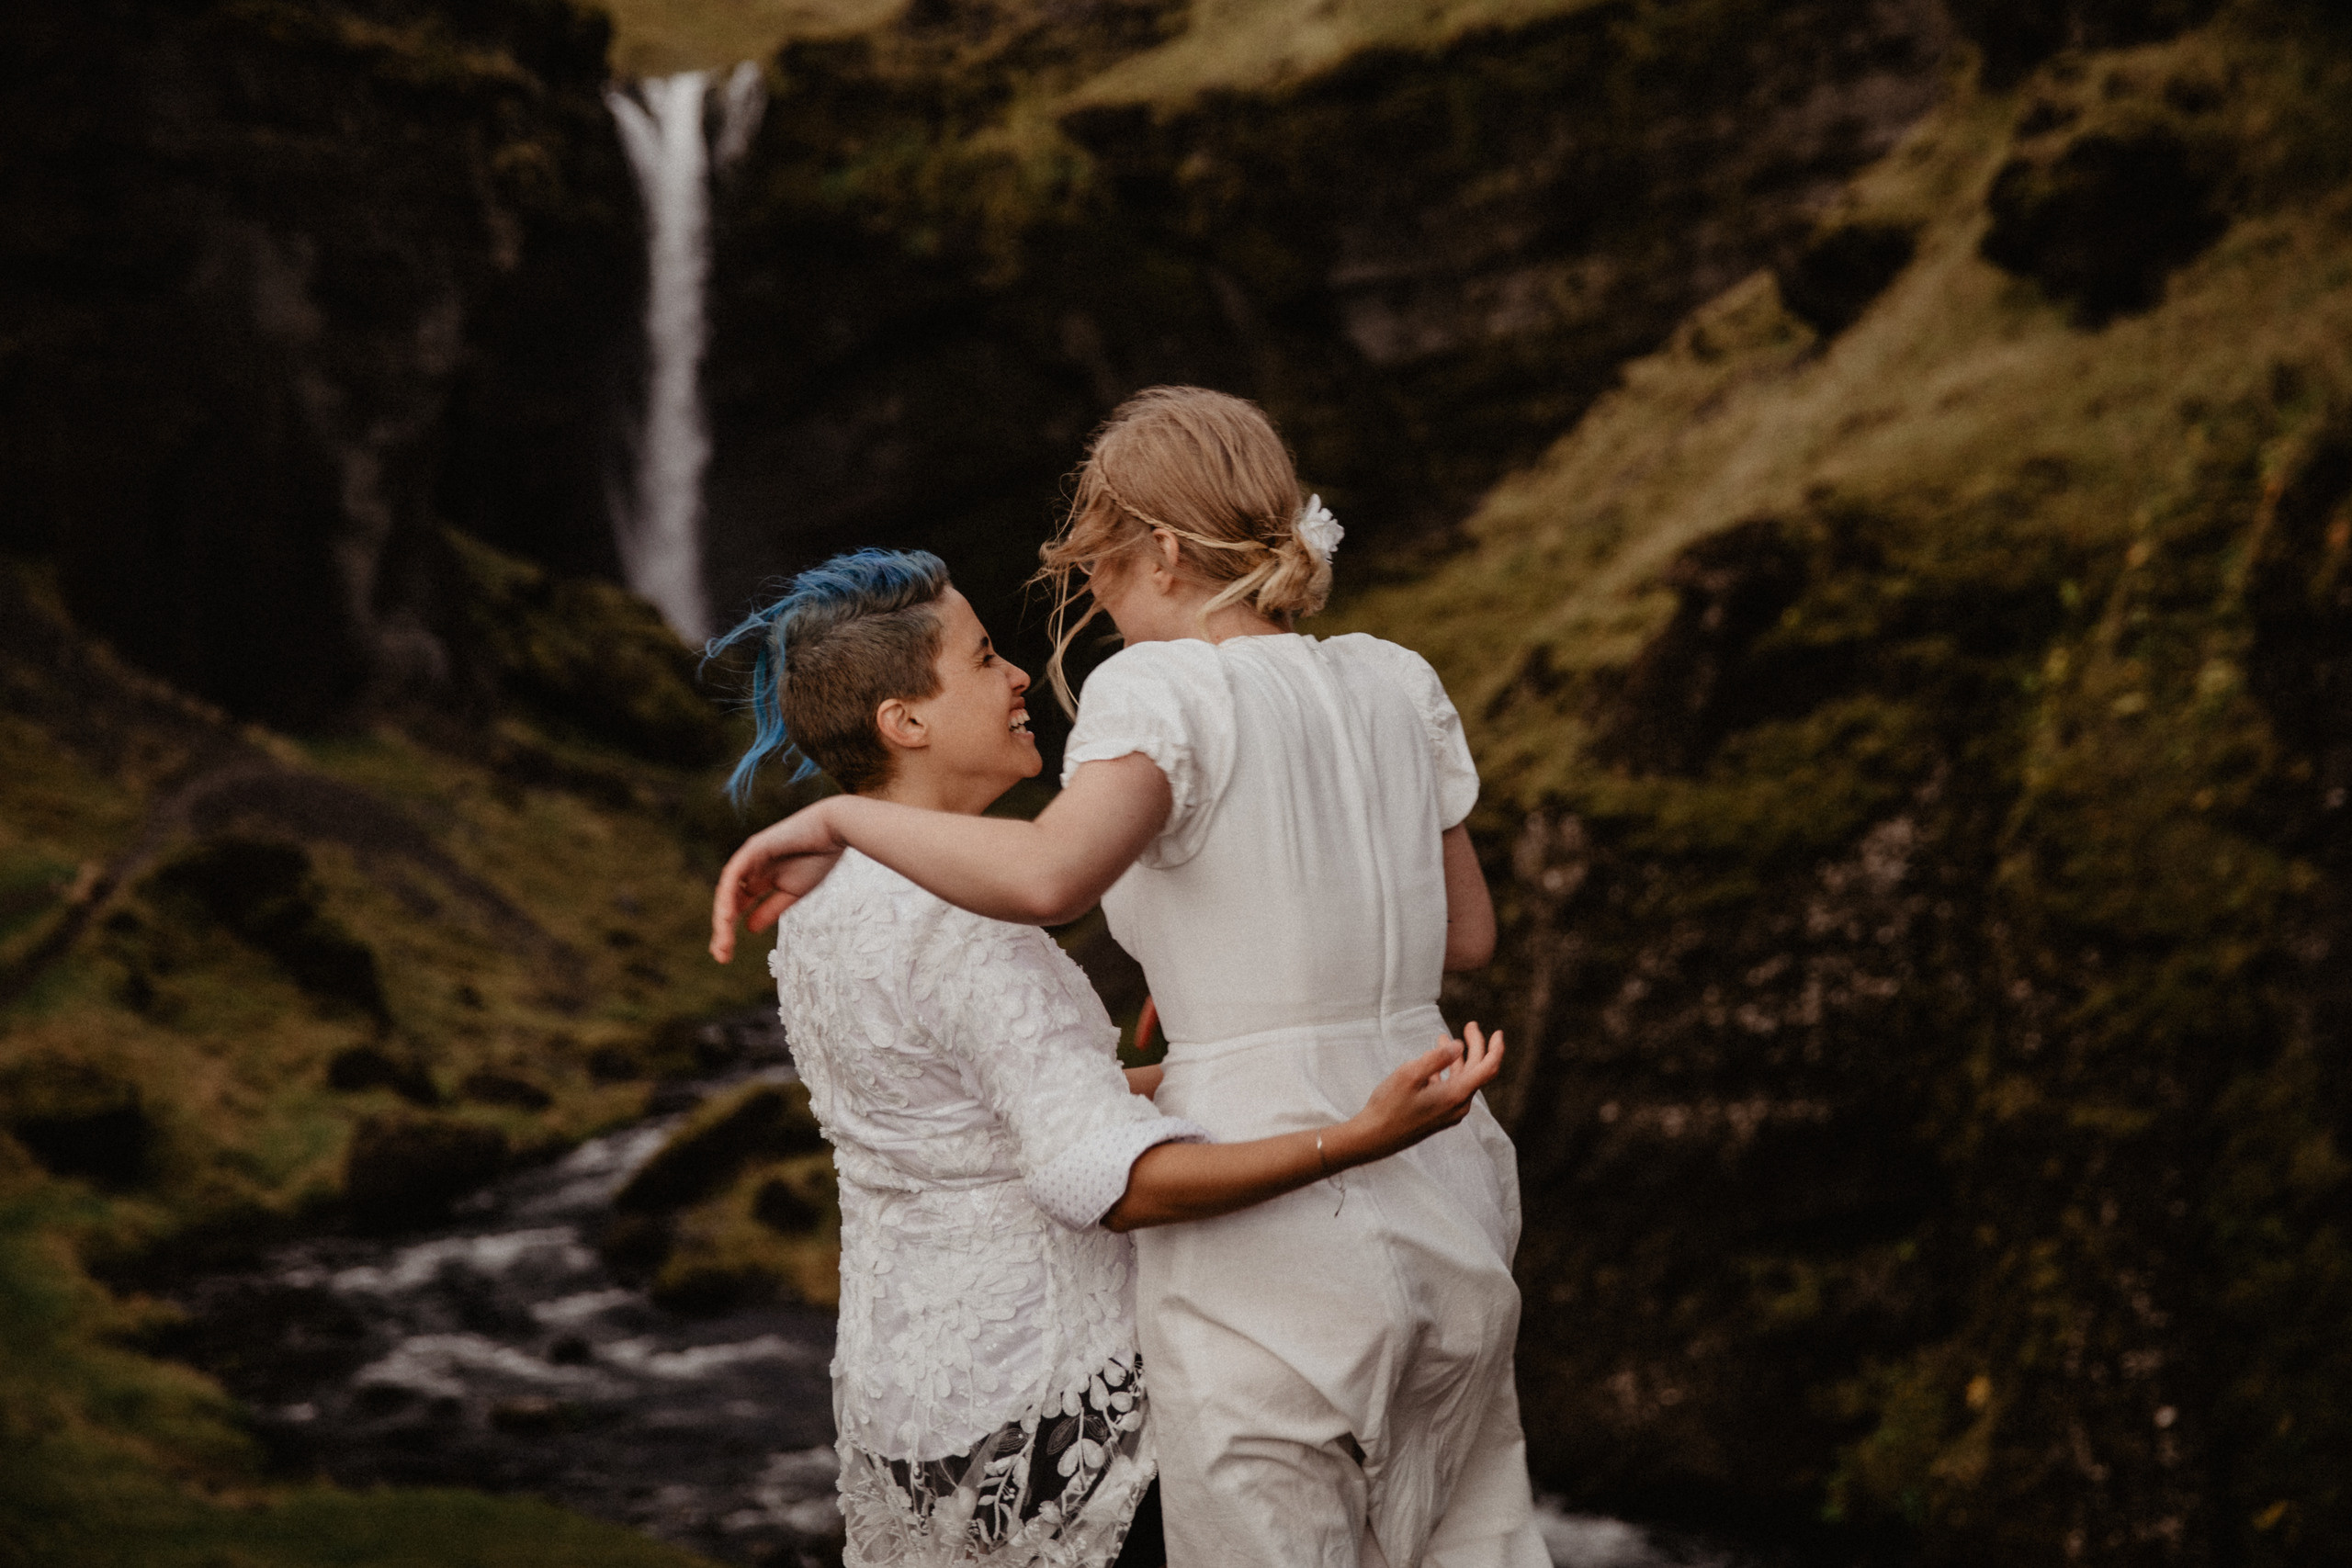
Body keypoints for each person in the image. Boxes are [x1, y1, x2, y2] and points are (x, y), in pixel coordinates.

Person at [709, 388, 1547, 1568]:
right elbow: (1465, 938)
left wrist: (841, 819)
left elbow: (1052, 878)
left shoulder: (1154, 691)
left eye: (1094, 565)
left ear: (1159, 550)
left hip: (1267, 1220)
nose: (1088, 602)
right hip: (1449, 1174)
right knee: (1471, 1537)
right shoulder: (1397, 679)